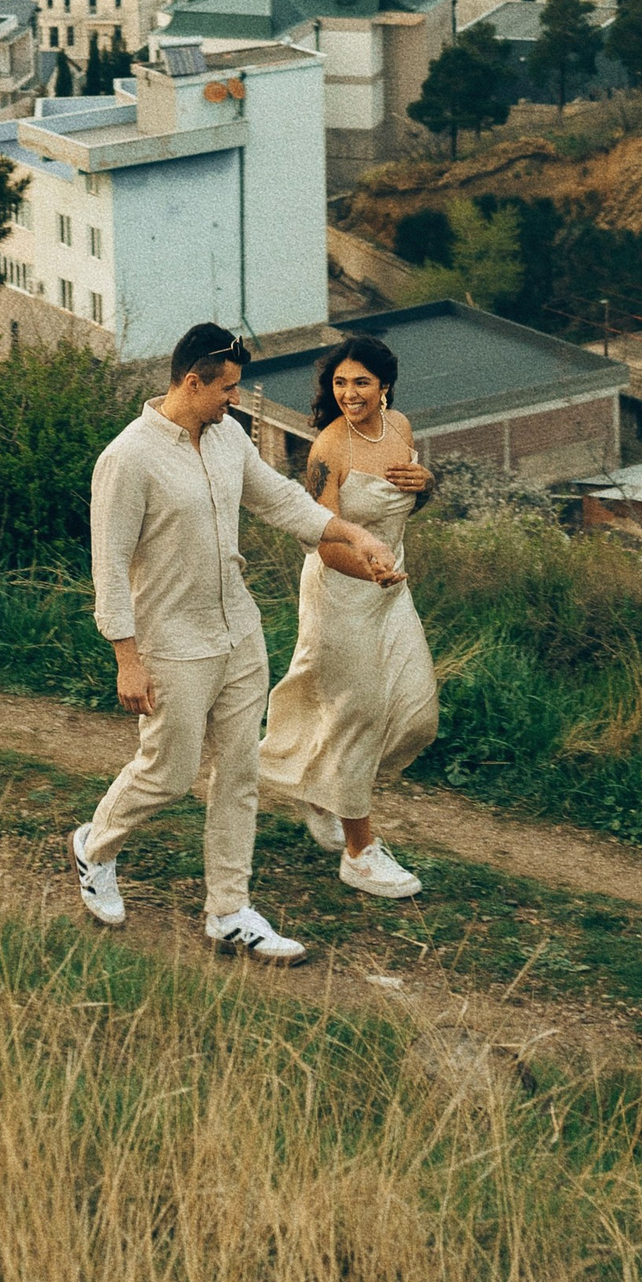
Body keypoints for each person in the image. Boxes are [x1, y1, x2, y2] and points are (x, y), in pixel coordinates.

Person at [71, 321, 398, 964]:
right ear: (192, 382)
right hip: (171, 643)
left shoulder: (227, 440)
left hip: (239, 634)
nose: (237, 401)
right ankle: (95, 848)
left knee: (239, 774)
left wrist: (353, 534)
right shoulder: (128, 458)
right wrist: (126, 658)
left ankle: (229, 911)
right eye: (229, 388)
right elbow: (108, 566)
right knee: (166, 774)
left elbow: (279, 501)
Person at [257, 333, 440, 900]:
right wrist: (372, 572)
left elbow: (404, 503)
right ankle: (360, 853)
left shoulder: (401, 428)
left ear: (384, 386)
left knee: (417, 710)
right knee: (359, 713)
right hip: (341, 592)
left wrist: (428, 484)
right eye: (340, 382)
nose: (349, 393)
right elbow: (325, 542)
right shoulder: (327, 451)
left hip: (392, 589)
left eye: (361, 382)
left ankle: (323, 785)